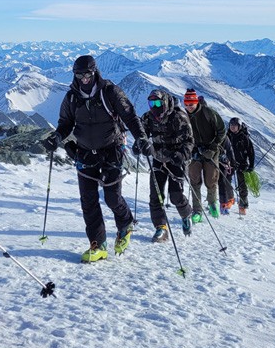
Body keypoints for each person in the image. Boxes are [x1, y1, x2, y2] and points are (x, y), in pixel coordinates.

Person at [43, 55, 152, 262]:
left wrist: (142, 138)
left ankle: (126, 223)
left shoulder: (110, 92)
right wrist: (57, 137)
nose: (84, 78)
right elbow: (65, 123)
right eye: (79, 74)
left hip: (111, 150)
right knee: (89, 201)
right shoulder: (72, 97)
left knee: (112, 197)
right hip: (84, 152)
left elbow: (130, 116)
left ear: (95, 72)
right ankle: (97, 244)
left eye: (87, 74)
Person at [136, 89, 194, 242]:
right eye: (151, 103)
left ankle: (186, 214)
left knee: (175, 195)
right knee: (156, 195)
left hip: (176, 159)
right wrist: (139, 145)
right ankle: (161, 228)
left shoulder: (179, 117)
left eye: (158, 102)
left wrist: (182, 154)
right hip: (158, 158)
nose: (154, 106)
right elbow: (141, 134)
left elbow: (189, 141)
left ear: (165, 102)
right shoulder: (148, 118)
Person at [183, 88, 226, 220]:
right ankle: (197, 211)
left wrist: (213, 148)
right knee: (195, 180)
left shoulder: (209, 113)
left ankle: (212, 203)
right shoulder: (184, 117)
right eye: (186, 104)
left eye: (191, 104)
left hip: (211, 152)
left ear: (196, 103)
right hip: (194, 152)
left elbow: (222, 130)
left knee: (211, 180)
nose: (189, 107)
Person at [227, 116, 255, 216]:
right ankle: (229, 200)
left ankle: (243, 204)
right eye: (231, 125)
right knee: (226, 181)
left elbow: (251, 153)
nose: (232, 127)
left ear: (239, 126)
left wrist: (251, 166)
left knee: (242, 185)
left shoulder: (244, 138)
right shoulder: (227, 136)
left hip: (242, 165)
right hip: (229, 164)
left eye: (235, 125)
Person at [218, 135, 237, 215]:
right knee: (215, 183)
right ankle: (213, 203)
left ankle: (224, 204)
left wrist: (232, 162)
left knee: (223, 182)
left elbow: (229, 150)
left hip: (223, 163)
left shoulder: (224, 137)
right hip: (214, 161)